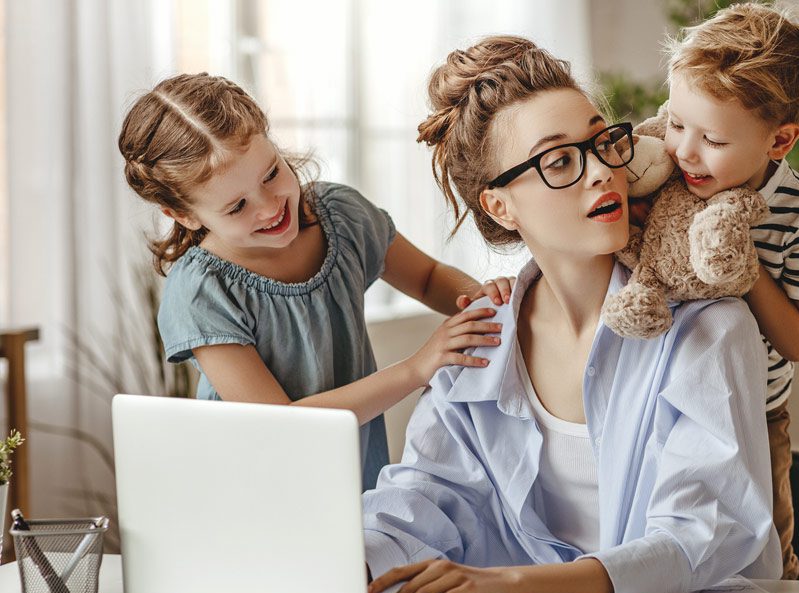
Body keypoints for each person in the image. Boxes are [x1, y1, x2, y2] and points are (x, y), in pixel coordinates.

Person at [363, 36, 780, 593]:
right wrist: (355, 559)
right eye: (560, 161)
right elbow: (422, 500)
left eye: (601, 142)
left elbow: (700, 537)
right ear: (500, 206)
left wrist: (503, 583)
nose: (602, 173)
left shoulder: (708, 330)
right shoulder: (479, 342)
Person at [118, 73, 511, 491]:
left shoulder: (342, 216)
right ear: (185, 216)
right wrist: (417, 368)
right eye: (237, 206)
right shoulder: (201, 293)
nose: (271, 207)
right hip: (255, 493)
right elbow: (284, 425)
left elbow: (430, 278)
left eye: (271, 174)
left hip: (350, 474)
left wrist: (481, 302)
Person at [652, 2, 799, 579]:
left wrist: (744, 267)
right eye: (676, 123)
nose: (685, 150)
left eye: (712, 139)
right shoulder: (660, 172)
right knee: (661, 546)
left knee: (764, 554)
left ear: (779, 141)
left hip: (754, 413)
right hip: (660, 399)